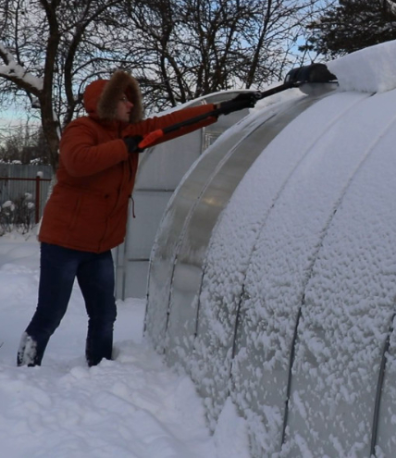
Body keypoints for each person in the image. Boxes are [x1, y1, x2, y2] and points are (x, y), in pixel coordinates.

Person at [17, 70, 254, 367]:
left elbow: (171, 125)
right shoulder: (82, 128)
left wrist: (220, 109)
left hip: (100, 246)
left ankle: (100, 368)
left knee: (104, 314)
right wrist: (126, 147)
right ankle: (26, 368)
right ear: (106, 103)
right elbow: (77, 161)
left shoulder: (130, 131)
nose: (130, 106)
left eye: (131, 101)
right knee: (50, 312)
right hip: (64, 242)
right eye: (123, 100)